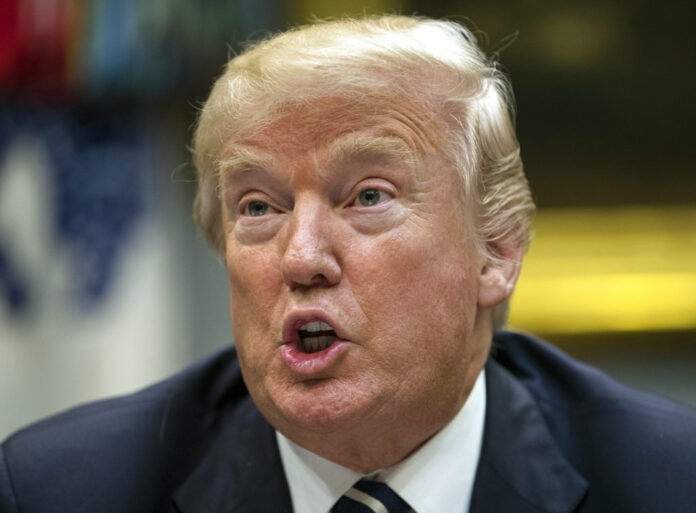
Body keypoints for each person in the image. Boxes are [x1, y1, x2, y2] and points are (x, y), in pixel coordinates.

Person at [1, 15, 695, 513]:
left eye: (368, 196)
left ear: (498, 250)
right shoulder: (58, 490)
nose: (301, 258)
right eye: (258, 207)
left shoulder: (668, 482)